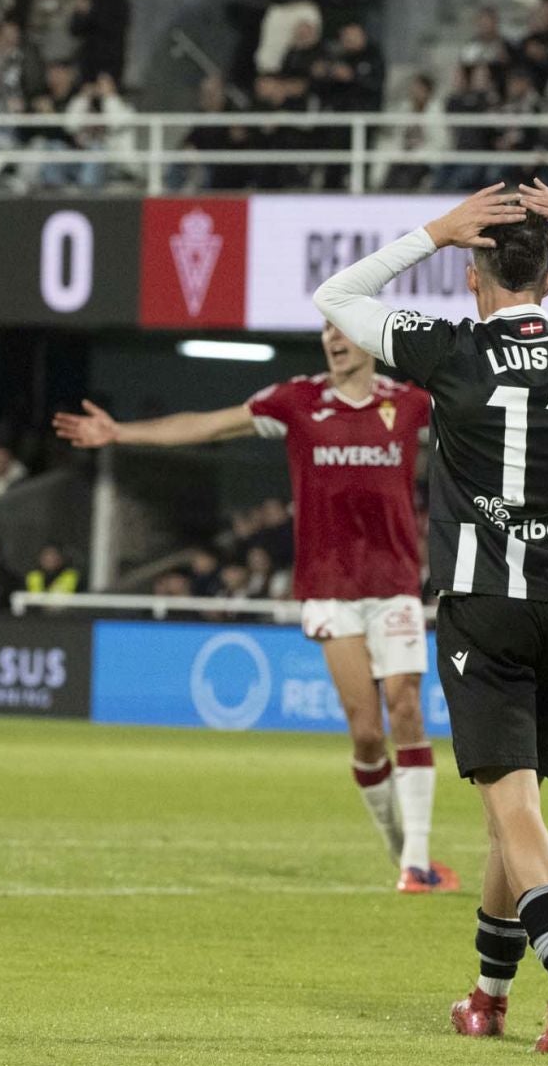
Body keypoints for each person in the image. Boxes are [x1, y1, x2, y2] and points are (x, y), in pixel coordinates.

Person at [313, 180, 548, 1052]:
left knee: (513, 810)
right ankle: (488, 996)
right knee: (508, 812)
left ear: (472, 275)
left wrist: (435, 231)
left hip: (486, 606)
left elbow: (337, 296)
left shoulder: (450, 348)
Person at [52, 325, 457, 896]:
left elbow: (486, 419)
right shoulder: (296, 401)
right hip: (329, 588)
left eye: (344, 329)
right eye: (326, 330)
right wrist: (122, 432)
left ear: (369, 337)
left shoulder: (410, 402)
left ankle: (415, 863)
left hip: (393, 585)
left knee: (405, 705)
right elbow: (209, 424)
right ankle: (400, 847)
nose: (334, 339)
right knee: (367, 733)